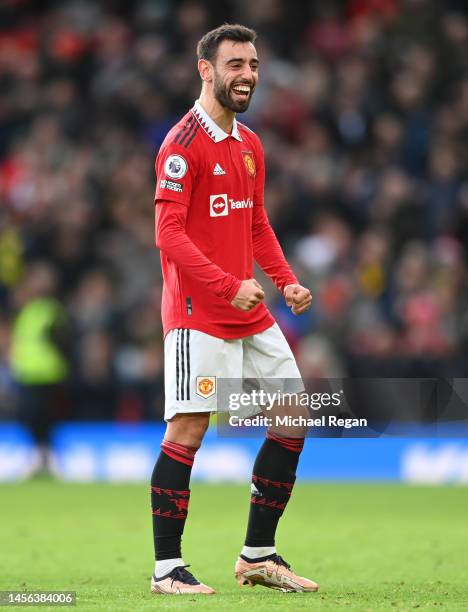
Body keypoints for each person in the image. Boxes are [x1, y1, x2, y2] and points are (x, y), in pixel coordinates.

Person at [151, 23, 318, 595]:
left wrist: (287, 281)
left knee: (294, 415)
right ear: (206, 70)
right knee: (190, 427)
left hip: (249, 310)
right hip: (200, 313)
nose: (247, 74)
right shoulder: (181, 145)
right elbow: (168, 235)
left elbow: (256, 223)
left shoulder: (249, 145)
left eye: (252, 64)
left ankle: (257, 555)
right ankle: (167, 569)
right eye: (235, 65)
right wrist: (227, 283)